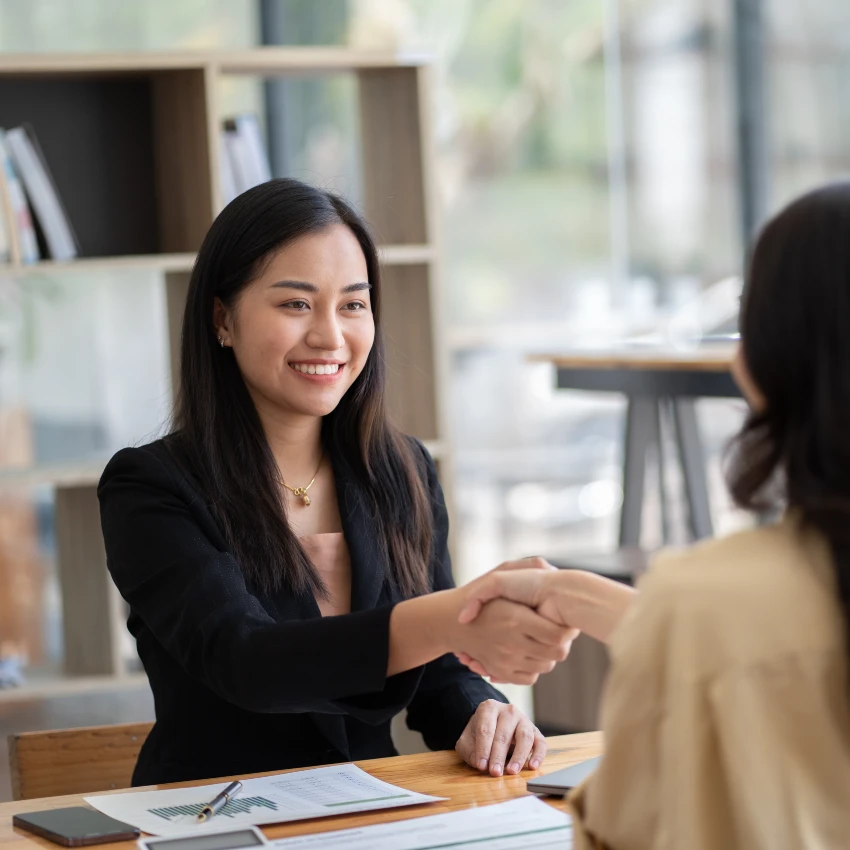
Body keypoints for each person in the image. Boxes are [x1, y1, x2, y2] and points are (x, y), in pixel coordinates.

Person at [98, 179, 576, 786]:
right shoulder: (150, 487)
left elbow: (436, 673)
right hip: (219, 822)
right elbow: (246, 662)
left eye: (353, 304)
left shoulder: (400, 469)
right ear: (223, 319)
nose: (330, 336)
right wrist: (454, 616)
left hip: (376, 816)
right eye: (296, 304)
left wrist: (482, 711)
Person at [457, 183, 850, 848]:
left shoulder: (703, 601)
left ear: (756, 362)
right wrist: (570, 593)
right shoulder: (703, 609)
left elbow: (621, 832)